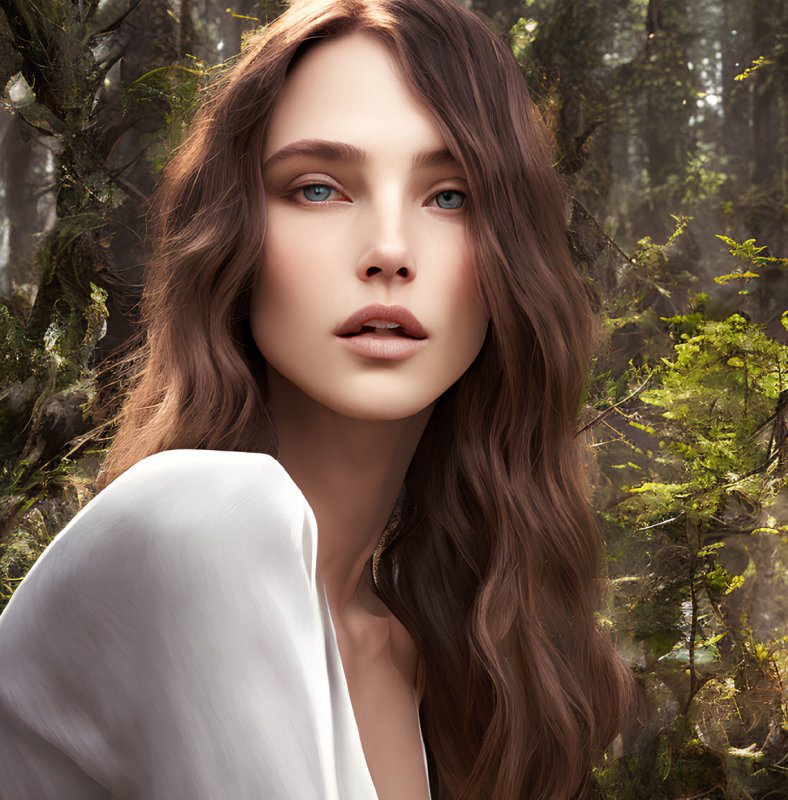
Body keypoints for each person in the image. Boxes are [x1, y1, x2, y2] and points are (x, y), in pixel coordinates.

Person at [0, 0, 635, 797]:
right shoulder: (194, 518)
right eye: (318, 189)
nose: (390, 253)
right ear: (234, 238)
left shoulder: (419, 661)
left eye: (450, 196)